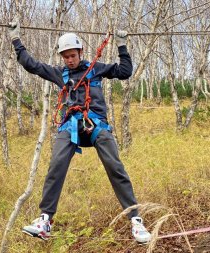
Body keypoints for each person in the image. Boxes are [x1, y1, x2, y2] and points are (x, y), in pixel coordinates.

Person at [8, 20, 151, 244]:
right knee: (56, 164)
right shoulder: (59, 74)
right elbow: (32, 65)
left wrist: (122, 46)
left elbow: (124, 72)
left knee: (115, 166)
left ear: (80, 52)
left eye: (72, 55)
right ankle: (45, 220)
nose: (69, 60)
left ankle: (135, 220)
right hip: (70, 126)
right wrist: (16, 40)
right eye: (65, 57)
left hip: (96, 125)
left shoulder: (96, 69)